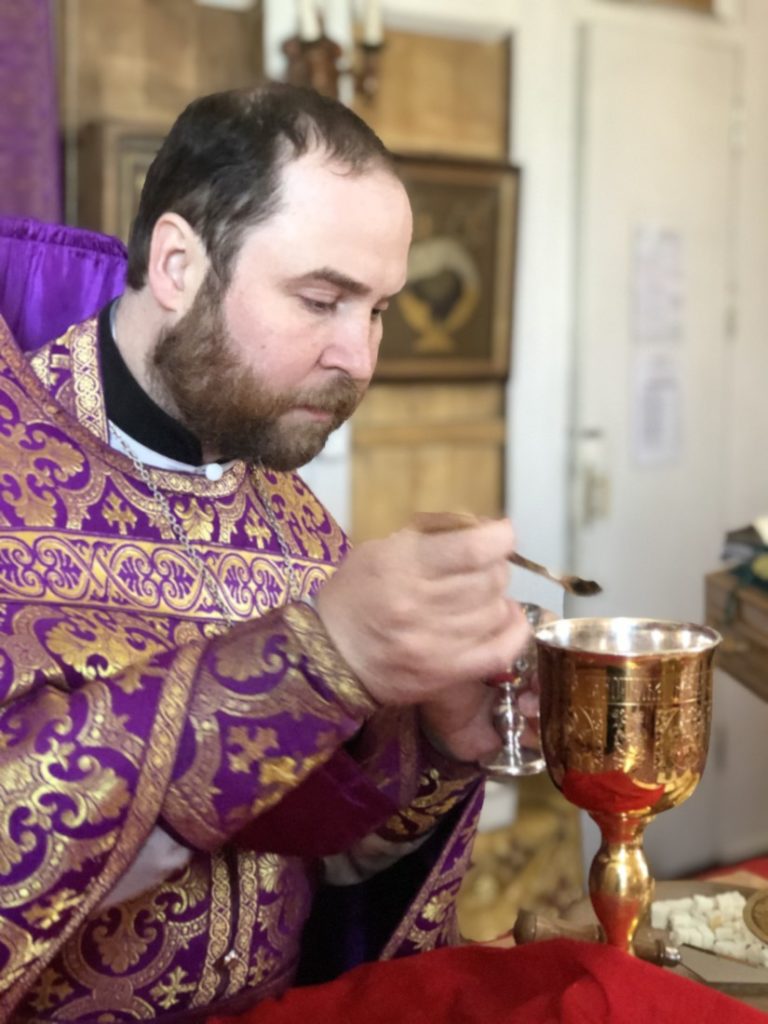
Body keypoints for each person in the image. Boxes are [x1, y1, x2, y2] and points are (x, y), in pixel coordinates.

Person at [0, 83, 531, 1022]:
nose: (359, 358)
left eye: (378, 310)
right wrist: (314, 660)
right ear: (177, 265)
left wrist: (443, 747)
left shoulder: (300, 527)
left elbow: (329, 872)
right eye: (322, 300)